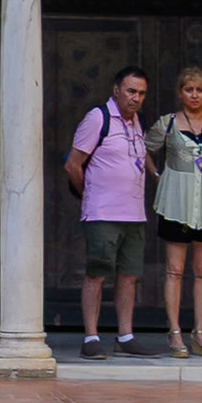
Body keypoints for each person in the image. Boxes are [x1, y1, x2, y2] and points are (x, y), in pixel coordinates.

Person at [65, 63, 153, 350]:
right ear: (116, 90)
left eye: (141, 93)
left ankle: (125, 335)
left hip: (134, 215)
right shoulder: (98, 118)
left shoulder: (137, 121)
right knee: (97, 273)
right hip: (103, 213)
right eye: (130, 91)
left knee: (128, 276)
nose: (135, 98)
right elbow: (73, 165)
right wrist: (88, 194)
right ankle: (91, 336)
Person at [154, 62, 202, 357]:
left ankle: (199, 332)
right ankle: (174, 332)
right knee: (174, 269)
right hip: (176, 203)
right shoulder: (168, 123)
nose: (195, 95)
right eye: (189, 90)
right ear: (180, 93)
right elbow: (146, 148)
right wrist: (157, 176)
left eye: (200, 90)